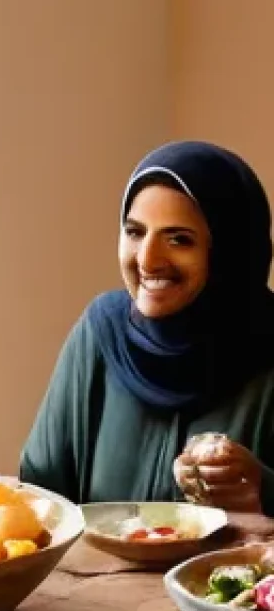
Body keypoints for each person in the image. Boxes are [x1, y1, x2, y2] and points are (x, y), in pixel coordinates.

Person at [20, 141, 274, 514]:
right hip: (98, 574)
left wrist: (264, 491)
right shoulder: (100, 335)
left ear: (230, 251)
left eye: (178, 239)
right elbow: (40, 498)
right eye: (135, 232)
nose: (149, 260)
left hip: (234, 575)